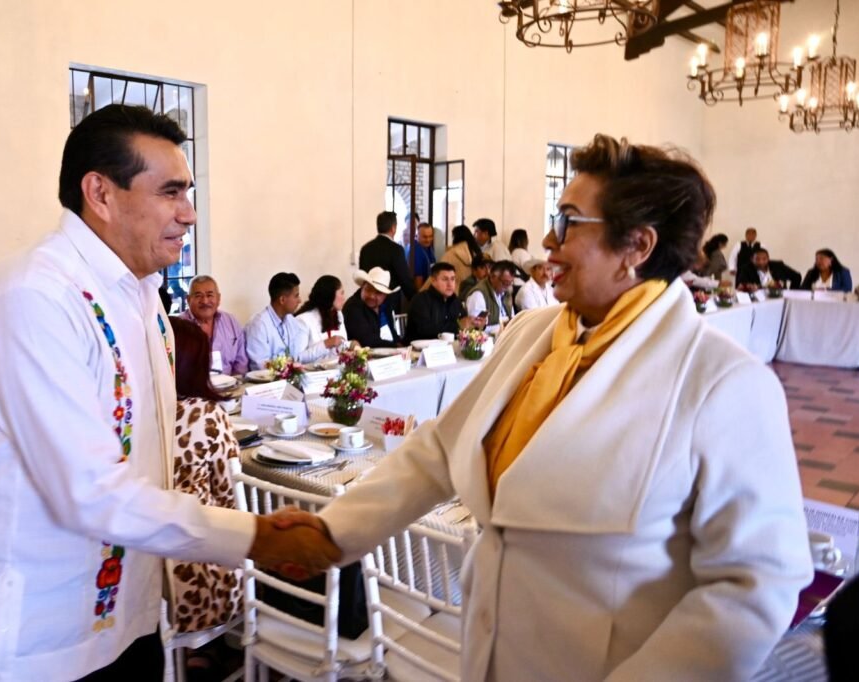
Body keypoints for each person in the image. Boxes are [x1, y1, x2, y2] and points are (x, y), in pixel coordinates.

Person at [276, 133, 811, 681]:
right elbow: (441, 448)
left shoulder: (724, 382)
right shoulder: (531, 331)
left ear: (638, 246)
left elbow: (754, 586)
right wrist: (335, 531)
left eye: (568, 222)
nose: (549, 242)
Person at [0, 105, 337, 681]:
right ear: (100, 193)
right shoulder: (33, 298)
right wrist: (253, 535)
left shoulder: (143, 295)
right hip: (41, 629)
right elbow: (88, 491)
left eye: (188, 192)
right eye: (170, 192)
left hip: (130, 610)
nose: (190, 213)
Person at [166, 316, 244, 680]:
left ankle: (198, 652)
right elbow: (229, 496)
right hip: (196, 567)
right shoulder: (208, 414)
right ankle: (214, 647)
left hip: (145, 558)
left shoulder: (138, 412)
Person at [245, 272, 338, 369]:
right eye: (296, 296)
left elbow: (297, 357)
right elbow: (260, 366)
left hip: (290, 375)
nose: (300, 300)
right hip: (268, 377)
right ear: (282, 300)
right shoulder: (259, 325)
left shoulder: (291, 320)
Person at [179, 275, 249, 376]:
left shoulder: (231, 322)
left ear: (218, 298)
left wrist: (235, 382)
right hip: (191, 385)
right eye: (198, 296)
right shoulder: (178, 326)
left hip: (231, 384)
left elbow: (241, 364)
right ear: (188, 299)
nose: (205, 301)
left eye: (210, 295)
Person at [405, 262, 481, 342]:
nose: (450, 284)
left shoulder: (455, 301)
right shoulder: (420, 300)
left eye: (452, 279)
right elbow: (425, 330)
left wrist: (475, 325)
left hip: (450, 347)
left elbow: (464, 326)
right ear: (433, 281)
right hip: (420, 348)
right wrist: (458, 326)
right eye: (445, 279)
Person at [359, 211, 416, 303]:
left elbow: (363, 277)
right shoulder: (396, 249)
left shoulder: (365, 249)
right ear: (393, 228)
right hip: (389, 301)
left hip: (368, 299)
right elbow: (404, 279)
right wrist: (415, 300)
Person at [342, 267, 401, 348]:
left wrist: (401, 345)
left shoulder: (386, 305)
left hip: (391, 352)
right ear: (362, 287)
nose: (372, 296)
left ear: (385, 295)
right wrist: (396, 346)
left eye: (378, 292)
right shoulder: (353, 307)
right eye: (368, 290)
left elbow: (393, 334)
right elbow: (368, 341)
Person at [295, 275, 349, 358]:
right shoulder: (303, 320)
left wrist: (351, 345)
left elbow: (341, 344)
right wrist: (325, 344)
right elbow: (297, 357)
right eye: (341, 293)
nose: (344, 298)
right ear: (330, 294)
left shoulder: (338, 314)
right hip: (313, 367)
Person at [465, 259, 516, 332]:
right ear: (493, 277)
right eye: (505, 283)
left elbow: (512, 317)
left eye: (510, 283)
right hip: (489, 338)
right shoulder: (478, 295)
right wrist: (502, 327)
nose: (507, 286)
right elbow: (476, 328)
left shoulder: (506, 293)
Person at [736, 248, 802, 290]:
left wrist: (792, 292)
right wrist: (749, 286)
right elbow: (742, 284)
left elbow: (796, 276)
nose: (761, 262)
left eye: (764, 259)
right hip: (759, 299)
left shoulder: (778, 266)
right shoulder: (746, 269)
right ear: (752, 259)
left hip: (779, 297)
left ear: (768, 258)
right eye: (757, 259)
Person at [411, 222, 437, 290]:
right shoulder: (416, 251)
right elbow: (418, 279)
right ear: (416, 236)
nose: (428, 240)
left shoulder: (429, 248)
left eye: (430, 236)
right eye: (425, 237)